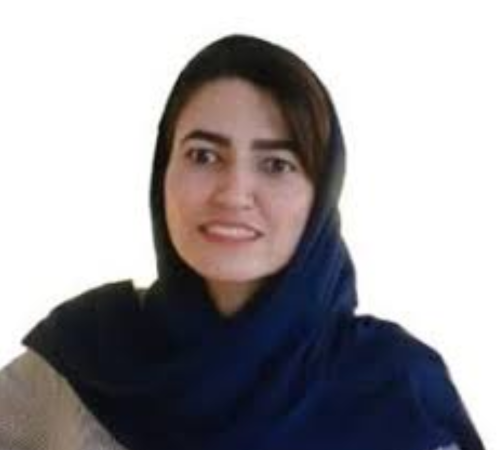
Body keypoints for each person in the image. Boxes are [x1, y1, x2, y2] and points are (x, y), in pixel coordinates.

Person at [0, 34, 485, 450]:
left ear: (322, 195)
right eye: (203, 155)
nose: (233, 193)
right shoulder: (86, 361)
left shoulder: (395, 389)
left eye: (276, 164)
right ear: (163, 171)